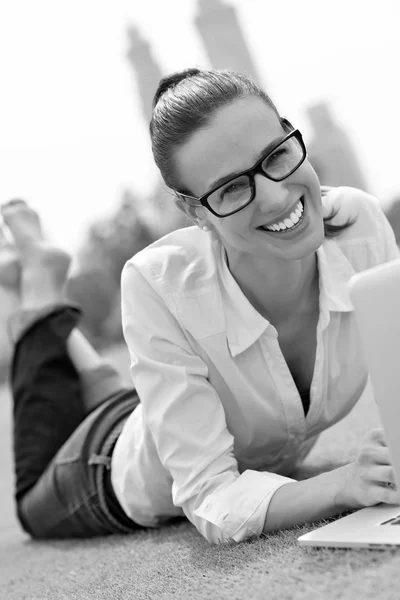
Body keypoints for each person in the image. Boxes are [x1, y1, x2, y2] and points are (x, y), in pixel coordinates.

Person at [3, 68, 400, 546]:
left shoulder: (359, 227)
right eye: (232, 188)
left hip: (170, 414)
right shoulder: (158, 283)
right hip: (107, 467)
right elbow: (213, 497)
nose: (276, 195)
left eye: (276, 155)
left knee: (129, 401)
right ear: (195, 212)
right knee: (31, 502)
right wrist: (341, 484)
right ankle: (40, 284)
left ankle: (58, 317)